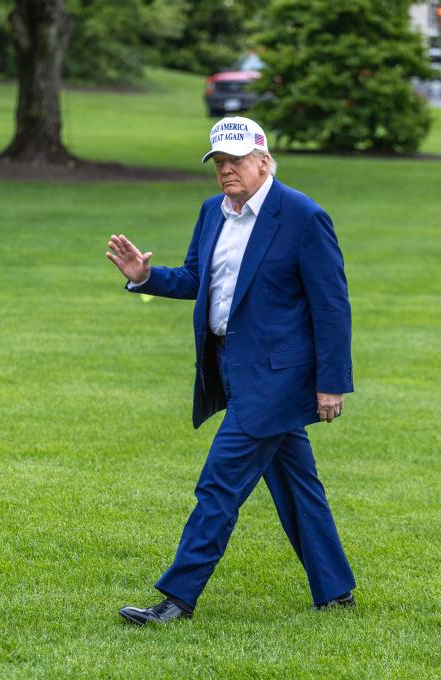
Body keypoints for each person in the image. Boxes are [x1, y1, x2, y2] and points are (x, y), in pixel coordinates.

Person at [106, 116, 356, 625]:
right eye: (218, 162)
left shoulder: (304, 217)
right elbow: (198, 278)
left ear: (264, 161)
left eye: (236, 160)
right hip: (230, 368)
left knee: (218, 485)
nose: (225, 170)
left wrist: (332, 383)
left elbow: (332, 307)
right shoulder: (212, 212)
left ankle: (178, 598)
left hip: (277, 379)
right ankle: (335, 591)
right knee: (297, 486)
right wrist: (147, 277)